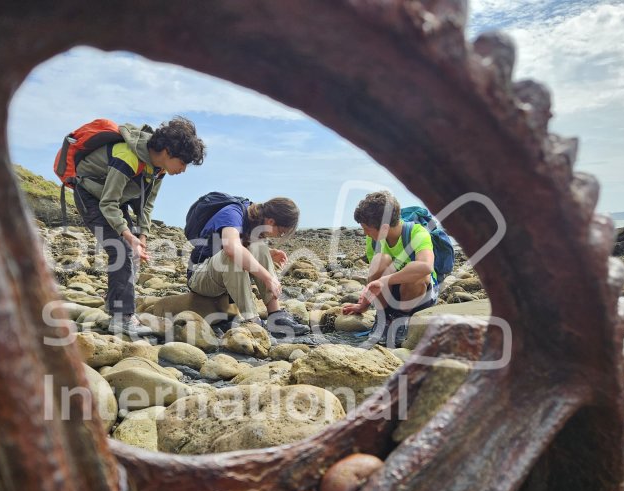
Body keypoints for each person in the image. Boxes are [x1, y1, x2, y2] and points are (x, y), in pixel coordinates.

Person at [73, 116, 205, 337]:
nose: (183, 169)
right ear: (166, 152)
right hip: (92, 197)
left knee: (132, 251)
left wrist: (141, 236)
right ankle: (122, 317)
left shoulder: (159, 169)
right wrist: (126, 233)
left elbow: (146, 205)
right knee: (121, 250)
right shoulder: (128, 158)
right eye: (183, 162)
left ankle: (117, 307)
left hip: (116, 200)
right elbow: (108, 202)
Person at [186, 196, 311, 338]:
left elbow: (241, 247)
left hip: (222, 278)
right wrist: (268, 277)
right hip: (199, 276)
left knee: (260, 247)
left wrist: (268, 254)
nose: (278, 237)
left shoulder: (254, 219)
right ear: (271, 221)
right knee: (232, 255)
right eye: (281, 232)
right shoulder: (232, 213)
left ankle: (275, 315)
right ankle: (251, 320)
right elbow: (231, 248)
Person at [342, 191, 439, 346]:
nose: (364, 232)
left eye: (367, 228)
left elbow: (426, 266)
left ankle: (401, 320)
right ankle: (384, 317)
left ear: (385, 228)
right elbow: (374, 280)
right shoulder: (373, 240)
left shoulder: (417, 233)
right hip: (391, 296)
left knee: (416, 270)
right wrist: (364, 305)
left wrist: (385, 279)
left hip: (418, 295)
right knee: (380, 259)